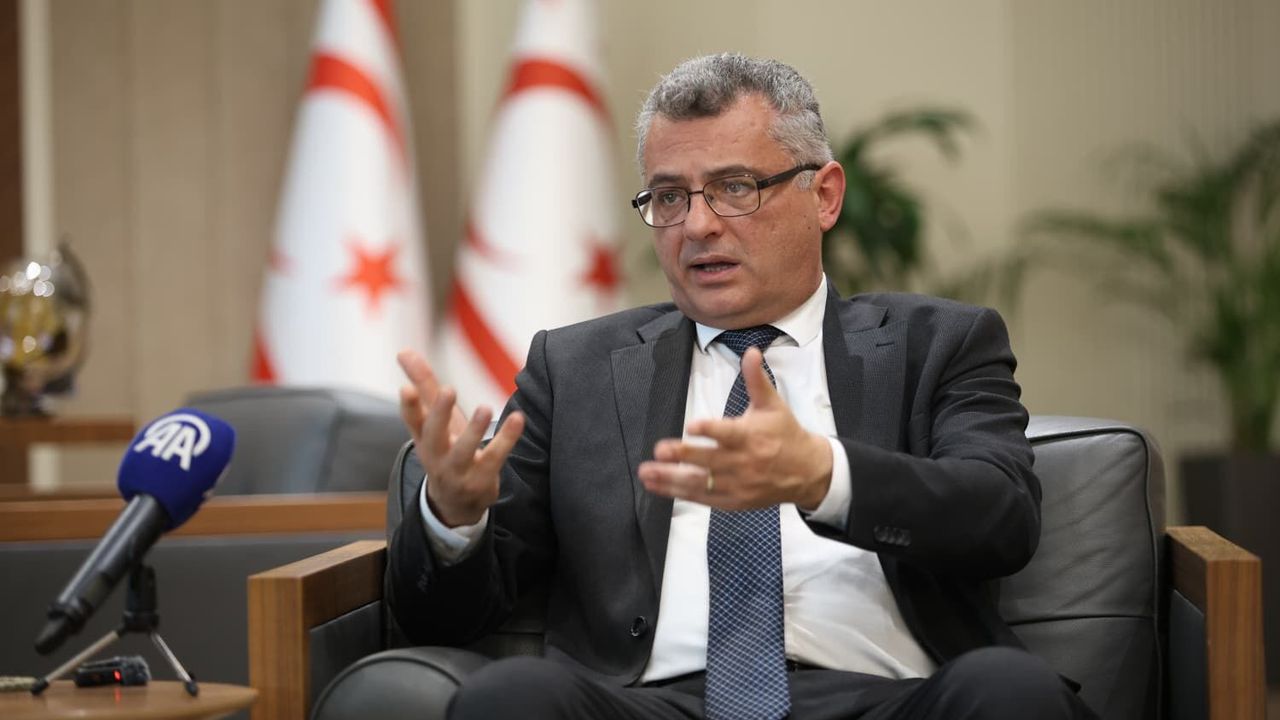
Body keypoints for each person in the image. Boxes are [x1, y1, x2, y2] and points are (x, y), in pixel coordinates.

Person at [389, 53, 1097, 720]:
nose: (697, 226)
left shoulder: (939, 343)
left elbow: (1001, 516)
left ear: (824, 195)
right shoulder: (575, 367)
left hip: (888, 697)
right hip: (654, 702)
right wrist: (453, 519)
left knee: (1008, 691)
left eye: (735, 187)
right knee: (512, 696)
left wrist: (825, 476)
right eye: (670, 196)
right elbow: (445, 616)